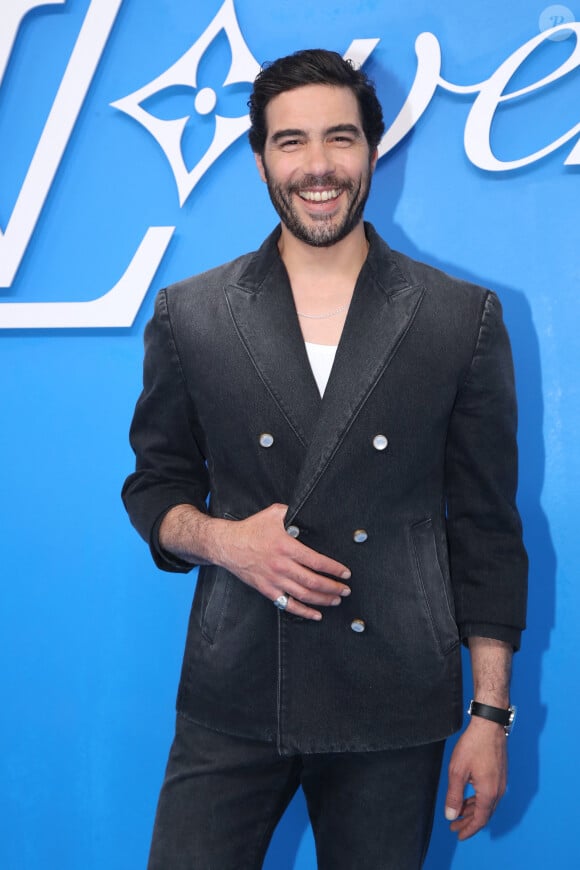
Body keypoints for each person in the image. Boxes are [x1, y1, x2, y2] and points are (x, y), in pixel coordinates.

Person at [122, 48, 527, 870]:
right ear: (261, 157)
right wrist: (226, 540)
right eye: (290, 142)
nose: (318, 167)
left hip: (392, 697)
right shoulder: (190, 315)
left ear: (373, 151)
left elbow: (486, 528)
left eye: (340, 139)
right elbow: (155, 485)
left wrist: (490, 714)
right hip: (232, 689)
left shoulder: (461, 319)